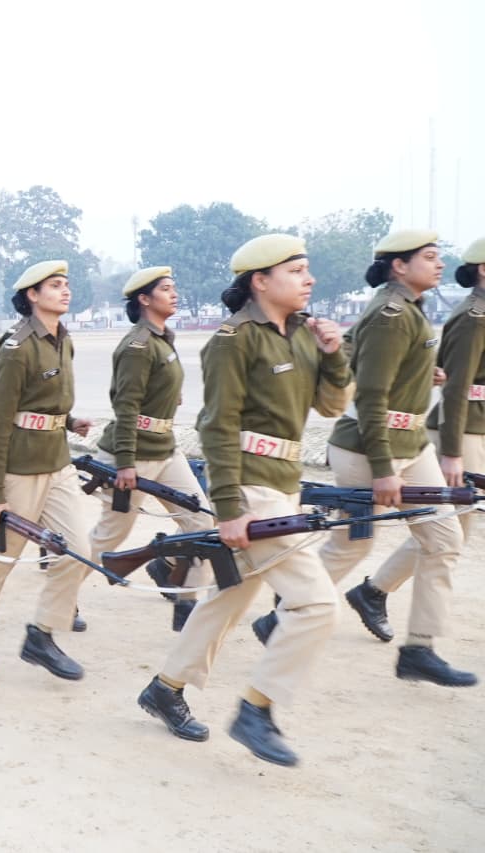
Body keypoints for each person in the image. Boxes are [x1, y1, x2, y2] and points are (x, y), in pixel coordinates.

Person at [136, 234, 352, 767]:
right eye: (296, 270)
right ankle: (257, 708)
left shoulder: (302, 334)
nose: (309, 279)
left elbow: (330, 406)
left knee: (230, 596)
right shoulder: (233, 340)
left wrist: (334, 355)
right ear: (260, 280)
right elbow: (217, 426)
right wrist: (230, 508)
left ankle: (165, 687)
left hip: (285, 484)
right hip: (252, 490)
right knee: (317, 604)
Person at [295, 230, 473, 688]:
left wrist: (422, 374)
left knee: (444, 538)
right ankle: (286, 615)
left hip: (411, 445)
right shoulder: (391, 315)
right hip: (370, 449)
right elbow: (371, 397)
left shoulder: (410, 309)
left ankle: (419, 649)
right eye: (429, 257)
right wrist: (382, 470)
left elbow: (378, 369)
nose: (439, 264)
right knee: (352, 545)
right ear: (399, 265)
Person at [0, 261, 95, 684]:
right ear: (33, 294)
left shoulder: (63, 339)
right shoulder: (17, 346)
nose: (65, 291)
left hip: (58, 462)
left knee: (78, 550)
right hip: (20, 470)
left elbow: (43, 403)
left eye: (66, 284)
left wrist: (69, 421)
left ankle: (42, 635)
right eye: (55, 285)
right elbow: (1, 419)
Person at [87, 267, 213, 632]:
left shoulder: (162, 338)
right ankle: (61, 590)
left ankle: (185, 603)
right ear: (144, 299)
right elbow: (126, 407)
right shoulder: (138, 346)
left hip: (165, 449)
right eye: (166, 289)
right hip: (132, 455)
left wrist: (168, 397)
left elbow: (153, 390)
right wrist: (125, 464)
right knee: (110, 536)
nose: (174, 294)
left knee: (201, 522)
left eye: (174, 288)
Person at [427, 236, 485, 510]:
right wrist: (452, 452)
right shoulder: (474, 318)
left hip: (477, 426)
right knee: (455, 522)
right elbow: (455, 387)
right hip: (465, 431)